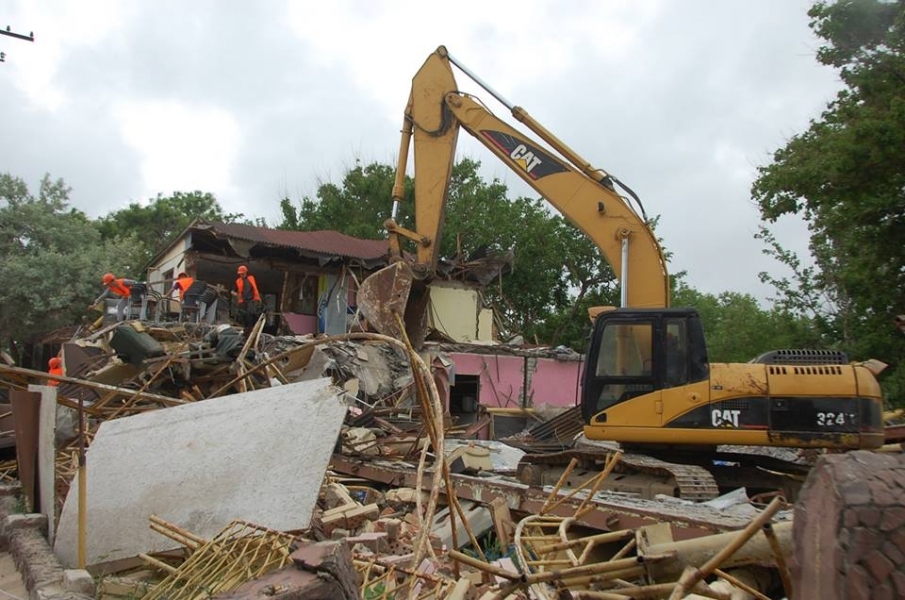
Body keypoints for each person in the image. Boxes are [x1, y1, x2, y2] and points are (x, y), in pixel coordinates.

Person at [233, 265, 262, 335]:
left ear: (245, 272)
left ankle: (251, 329)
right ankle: (246, 329)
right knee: (244, 315)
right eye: (240, 273)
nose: (241, 275)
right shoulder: (238, 281)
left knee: (251, 314)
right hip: (243, 301)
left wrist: (258, 299)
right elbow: (233, 291)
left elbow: (254, 288)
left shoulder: (251, 278)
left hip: (252, 300)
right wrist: (236, 295)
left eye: (242, 273)